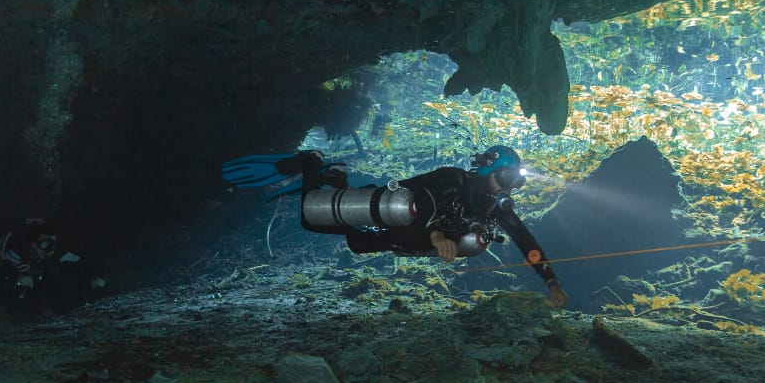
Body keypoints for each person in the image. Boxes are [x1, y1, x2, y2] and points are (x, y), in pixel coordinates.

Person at [224, 146, 568, 308]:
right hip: (393, 217)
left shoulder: (495, 210)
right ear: (488, 170)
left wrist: (550, 281)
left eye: (515, 183)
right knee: (308, 219)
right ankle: (310, 163)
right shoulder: (453, 179)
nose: (508, 188)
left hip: (397, 240)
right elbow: (420, 194)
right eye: (505, 178)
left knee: (358, 245)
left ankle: (339, 181)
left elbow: (527, 242)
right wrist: (436, 232)